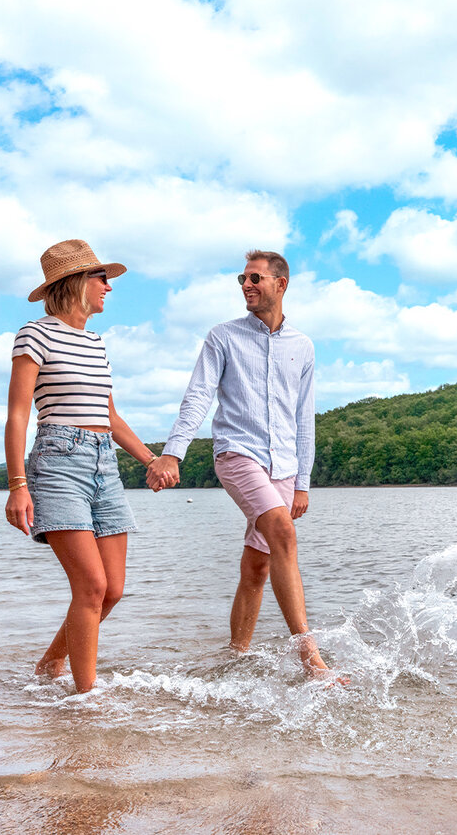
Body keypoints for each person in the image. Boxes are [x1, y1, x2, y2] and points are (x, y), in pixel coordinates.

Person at [146, 250, 333, 676]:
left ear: (280, 284)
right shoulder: (223, 337)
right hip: (237, 453)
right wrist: (173, 452)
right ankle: (311, 658)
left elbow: (304, 417)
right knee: (282, 533)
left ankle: (236, 657)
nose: (246, 286)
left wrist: (302, 481)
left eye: (255, 278)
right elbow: (198, 395)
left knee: (259, 564)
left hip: (284, 464)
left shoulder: (302, 346)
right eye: (242, 279)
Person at [3, 239, 169, 693]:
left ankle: (51, 662)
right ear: (76, 282)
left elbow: (109, 415)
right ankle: (86, 701)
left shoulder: (97, 343)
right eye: (102, 279)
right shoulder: (34, 334)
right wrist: (18, 484)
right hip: (58, 462)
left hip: (104, 464)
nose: (108, 288)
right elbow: (18, 413)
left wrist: (151, 459)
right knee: (91, 586)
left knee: (111, 590)